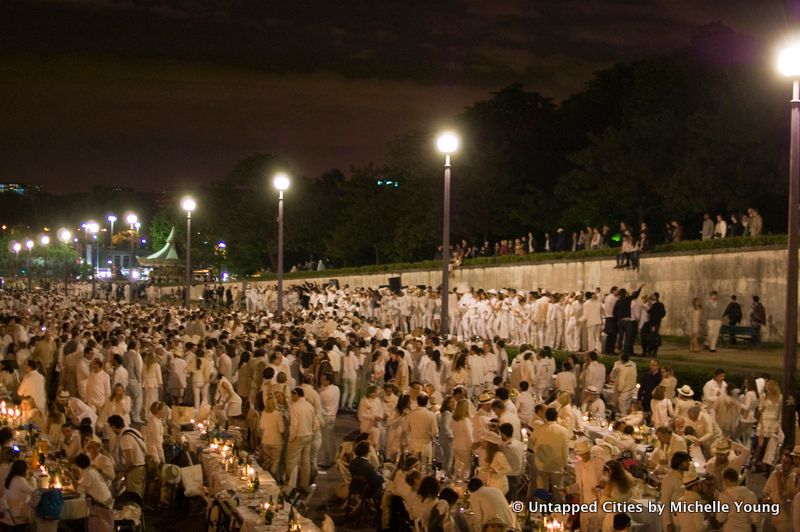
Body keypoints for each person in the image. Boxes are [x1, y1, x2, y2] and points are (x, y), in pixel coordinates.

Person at [285, 387, 319, 491]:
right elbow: (315, 422)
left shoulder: (295, 407)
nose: (291, 398)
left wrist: (291, 438)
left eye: (292, 395)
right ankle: (304, 484)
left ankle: (290, 485)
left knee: (291, 461)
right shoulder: (309, 406)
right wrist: (312, 432)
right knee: (306, 462)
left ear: (296, 395)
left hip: (298, 436)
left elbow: (294, 425)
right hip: (308, 436)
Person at [108, 414, 146, 498]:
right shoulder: (134, 431)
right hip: (141, 467)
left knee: (134, 496)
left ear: (113, 426)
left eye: (110, 427)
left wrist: (123, 472)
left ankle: (136, 511)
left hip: (134, 469)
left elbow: (130, 460)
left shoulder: (125, 438)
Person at [531, 407, 569, 491]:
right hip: (557, 464)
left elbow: (532, 441)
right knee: (559, 491)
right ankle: (560, 504)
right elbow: (565, 450)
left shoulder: (539, 429)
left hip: (542, 463)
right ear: (556, 417)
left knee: (542, 491)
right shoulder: (563, 431)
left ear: (546, 417)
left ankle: (542, 504)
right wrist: (565, 463)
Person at [74, 453, 114, 532]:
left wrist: (71, 479)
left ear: (78, 466)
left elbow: (79, 490)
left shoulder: (88, 473)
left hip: (102, 506)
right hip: (107, 502)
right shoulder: (91, 470)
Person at [0, 460, 39, 527]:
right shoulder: (20, 480)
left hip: (7, 512)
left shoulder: (10, 478)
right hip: (14, 515)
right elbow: (33, 492)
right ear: (24, 470)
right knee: (35, 506)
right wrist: (33, 478)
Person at [660, 451, 690, 532]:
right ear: (679, 464)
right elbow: (665, 502)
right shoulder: (669, 479)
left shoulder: (686, 477)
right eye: (686, 461)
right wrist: (668, 524)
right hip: (674, 520)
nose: (689, 463)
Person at [259, 394, 285, 479]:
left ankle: (266, 478)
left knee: (267, 460)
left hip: (265, 440)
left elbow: (262, 427)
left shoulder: (263, 413)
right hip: (276, 441)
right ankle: (272, 478)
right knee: (275, 462)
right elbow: (282, 429)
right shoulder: (278, 414)